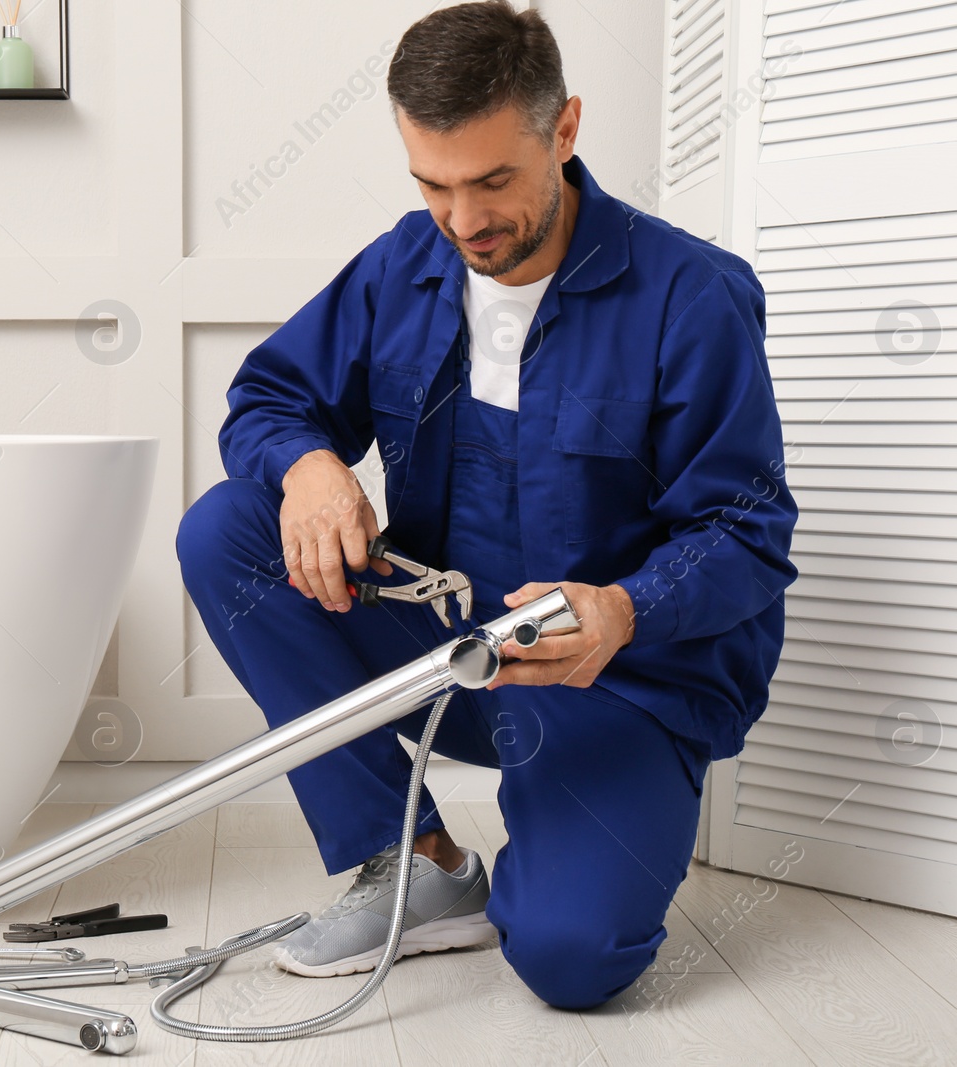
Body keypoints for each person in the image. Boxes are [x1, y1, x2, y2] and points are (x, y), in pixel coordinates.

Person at [176, 0, 798, 1010]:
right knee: (227, 528)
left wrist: (625, 609)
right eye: (433, 184)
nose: (464, 221)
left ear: (564, 130)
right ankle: (419, 861)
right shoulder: (401, 266)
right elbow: (270, 397)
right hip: (443, 644)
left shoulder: (692, 297)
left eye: (493, 181)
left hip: (611, 675)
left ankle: (561, 852)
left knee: (571, 957)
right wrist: (306, 464)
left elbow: (748, 532)